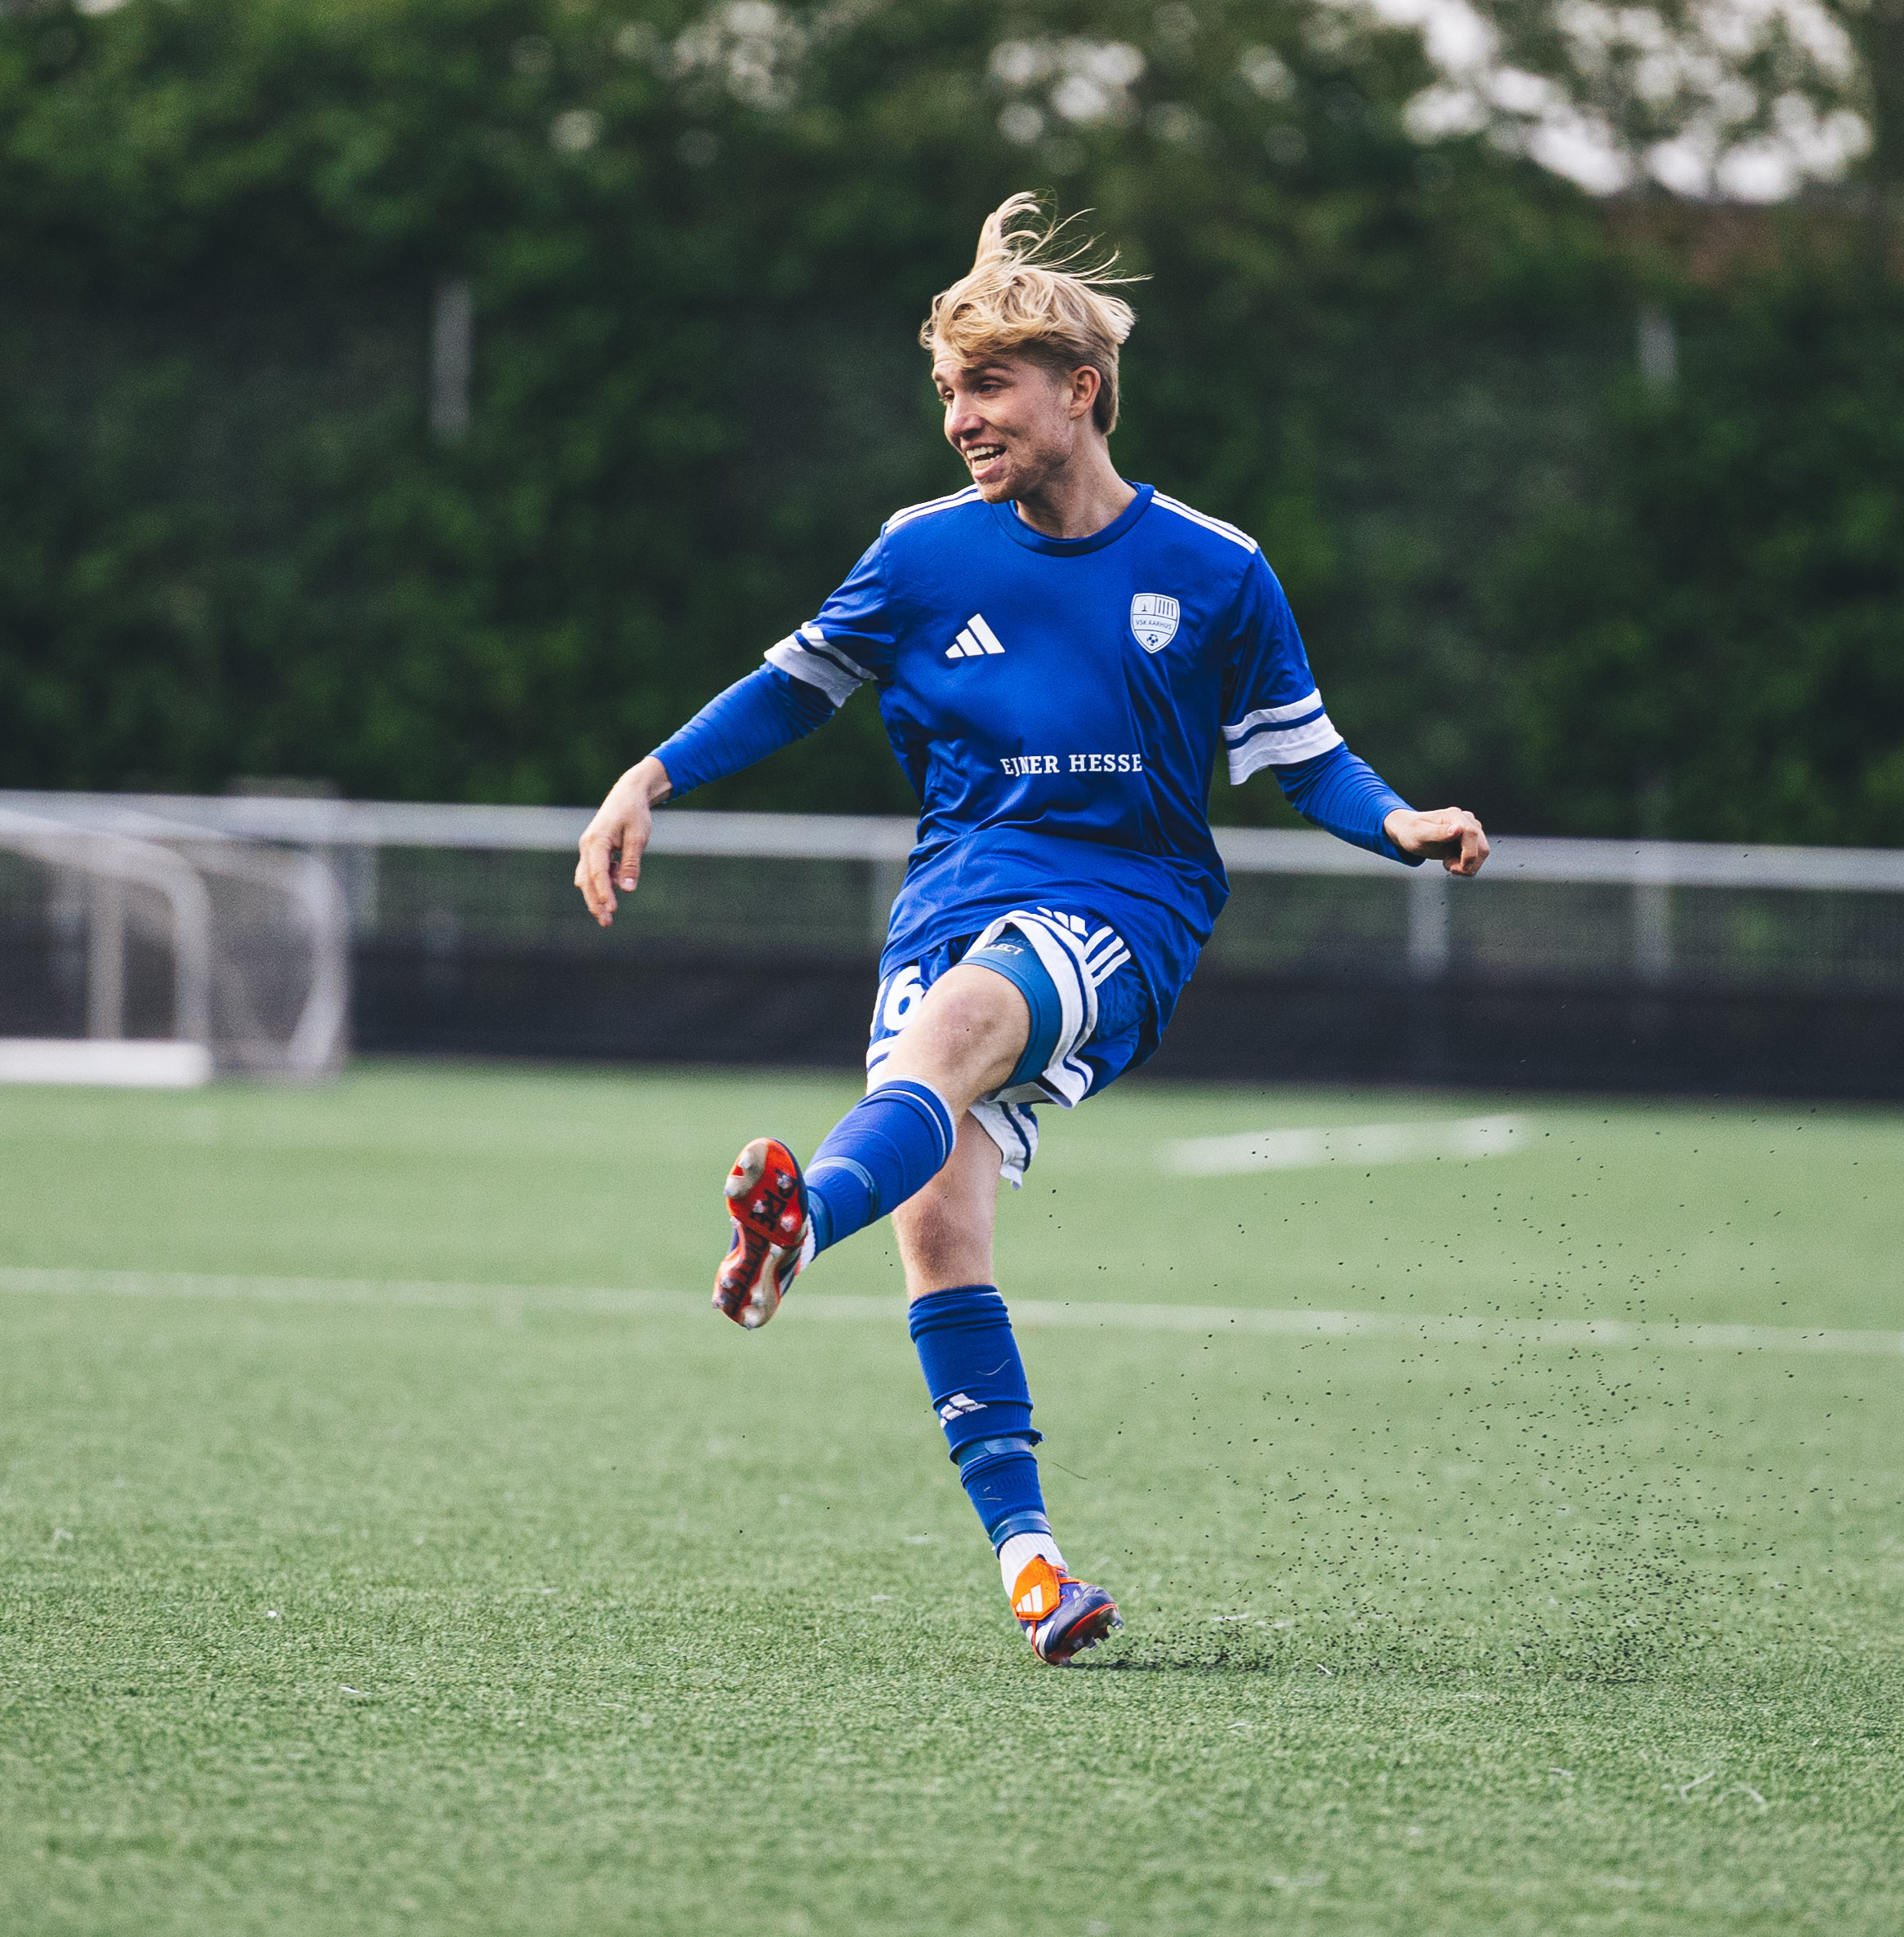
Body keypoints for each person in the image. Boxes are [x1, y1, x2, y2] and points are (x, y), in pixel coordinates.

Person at [571, 194, 1491, 1664]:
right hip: (952, 895)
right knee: (938, 1231)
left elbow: (1301, 755)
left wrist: (1396, 823)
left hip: (1123, 900)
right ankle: (1036, 1567)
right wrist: (648, 776)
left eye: (986, 385)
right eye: (946, 391)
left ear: (1081, 388)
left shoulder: (1216, 568)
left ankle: (797, 1226)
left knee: (950, 1036)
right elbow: (794, 687)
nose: (958, 419)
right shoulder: (921, 554)